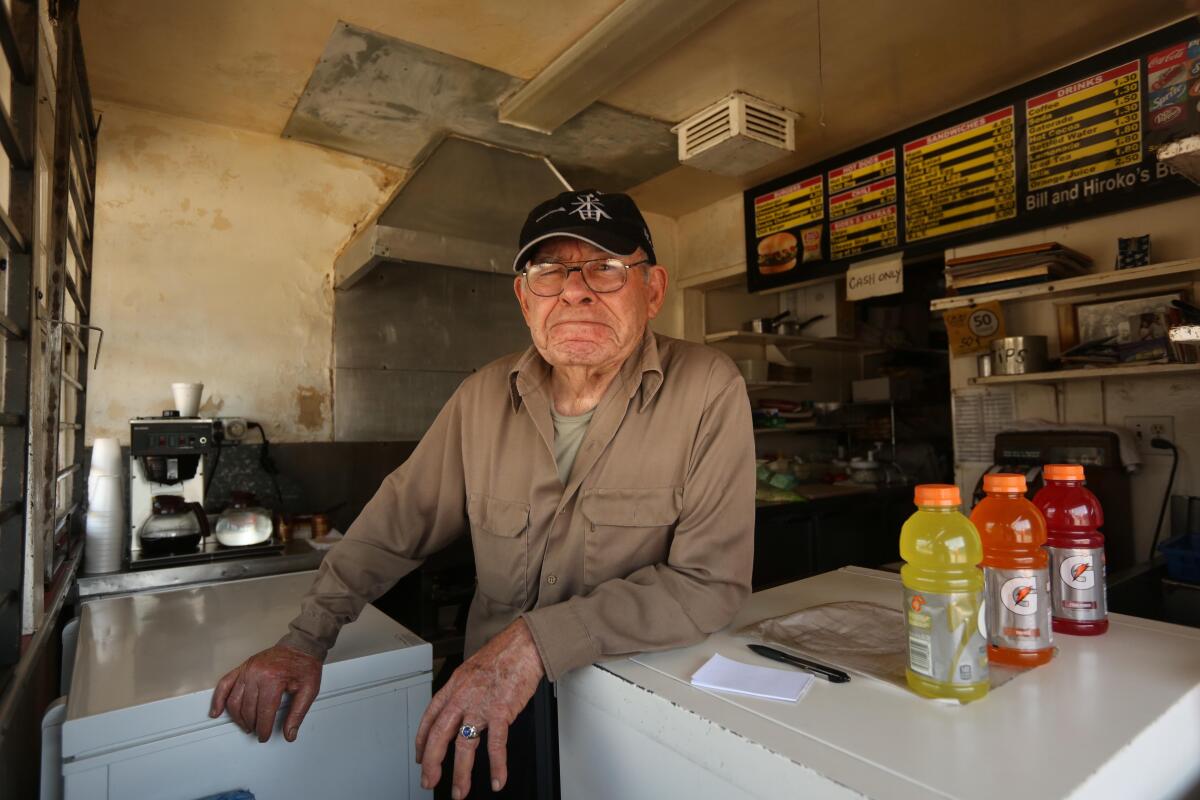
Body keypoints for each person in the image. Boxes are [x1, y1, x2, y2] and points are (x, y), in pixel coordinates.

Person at [209, 189, 755, 798]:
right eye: (549, 272)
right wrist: (304, 639)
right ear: (525, 298)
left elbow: (712, 583)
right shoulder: (483, 395)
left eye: (605, 267)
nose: (575, 290)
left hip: (628, 710)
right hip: (490, 709)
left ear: (652, 290)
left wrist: (530, 645)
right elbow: (397, 522)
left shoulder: (708, 387)